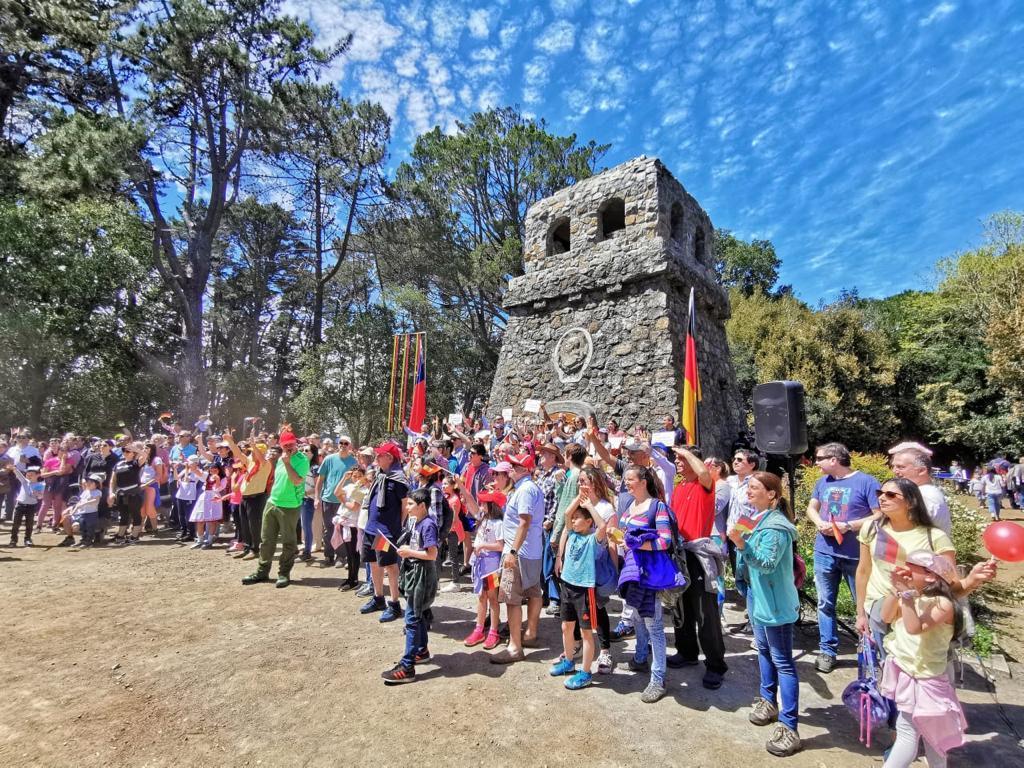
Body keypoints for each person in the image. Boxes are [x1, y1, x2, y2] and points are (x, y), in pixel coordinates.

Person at [729, 471, 802, 757]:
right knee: (763, 651)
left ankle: (789, 725)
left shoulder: (776, 527)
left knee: (783, 661)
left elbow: (768, 563)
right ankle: (768, 701)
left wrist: (741, 545)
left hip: (775, 603)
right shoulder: (753, 517)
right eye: (748, 487)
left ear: (771, 494)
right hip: (758, 600)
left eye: (755, 487)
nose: (748, 491)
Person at [879, 551, 967, 768]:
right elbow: (886, 617)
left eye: (912, 567)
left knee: (911, 733)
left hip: (926, 680)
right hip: (910, 673)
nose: (904, 569)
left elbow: (914, 628)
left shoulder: (943, 604)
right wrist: (895, 590)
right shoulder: (913, 596)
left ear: (931, 576)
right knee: (929, 735)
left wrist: (906, 595)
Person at [804, 442, 881, 673]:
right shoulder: (822, 482)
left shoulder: (866, 482)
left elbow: (879, 514)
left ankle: (868, 653)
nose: (816, 462)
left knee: (864, 606)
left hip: (856, 555)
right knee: (825, 603)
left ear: (834, 459)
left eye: (819, 458)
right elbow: (811, 508)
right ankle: (828, 651)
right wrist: (819, 523)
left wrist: (849, 526)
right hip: (824, 552)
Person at [855, 478, 955, 653]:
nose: (882, 498)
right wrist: (861, 613)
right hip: (879, 609)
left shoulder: (935, 537)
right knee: (887, 665)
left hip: (917, 612)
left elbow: (950, 582)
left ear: (911, 502)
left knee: (914, 666)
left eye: (891, 494)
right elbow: (863, 571)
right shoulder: (871, 528)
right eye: (880, 493)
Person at [615, 464, 677, 703]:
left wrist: (635, 545)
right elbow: (624, 533)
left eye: (630, 479)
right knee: (639, 617)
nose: (626, 483)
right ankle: (641, 657)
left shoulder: (656, 506)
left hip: (649, 574)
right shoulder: (631, 505)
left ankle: (658, 679)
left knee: (654, 625)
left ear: (643, 482)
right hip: (633, 571)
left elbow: (665, 541)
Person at [668, 445, 729, 688]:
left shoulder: (707, 484)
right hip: (680, 554)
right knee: (681, 607)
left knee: (706, 613)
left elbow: (704, 473)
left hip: (698, 555)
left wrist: (688, 452)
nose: (678, 463)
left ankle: (716, 664)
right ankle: (687, 652)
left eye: (682, 459)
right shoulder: (680, 487)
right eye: (677, 459)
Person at [551, 493, 611, 690]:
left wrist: (590, 507)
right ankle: (568, 661)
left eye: (579, 518)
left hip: (585, 590)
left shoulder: (593, 540)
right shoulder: (572, 533)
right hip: (567, 586)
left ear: (588, 522)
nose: (574, 521)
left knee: (586, 633)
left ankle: (585, 673)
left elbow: (603, 527)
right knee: (566, 627)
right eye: (574, 519)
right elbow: (567, 514)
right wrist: (580, 496)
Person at [490, 454, 545, 664]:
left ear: (524, 469)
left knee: (512, 599)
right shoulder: (527, 488)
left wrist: (512, 551)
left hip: (520, 552)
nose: (510, 468)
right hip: (529, 550)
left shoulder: (525, 490)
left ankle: (515, 647)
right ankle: (529, 633)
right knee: (533, 591)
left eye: (514, 465)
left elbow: (524, 522)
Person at [381, 488, 439, 685]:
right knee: (418, 614)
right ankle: (421, 651)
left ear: (422, 506)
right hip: (414, 571)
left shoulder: (428, 524)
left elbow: (432, 555)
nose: (407, 507)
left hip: (422, 574)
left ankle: (407, 667)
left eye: (411, 504)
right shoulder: (416, 521)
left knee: (412, 618)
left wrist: (410, 552)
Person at [242, 428, 309, 589]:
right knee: (266, 540)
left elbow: (296, 481)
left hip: (290, 506)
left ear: (296, 443)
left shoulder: (302, 460)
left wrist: (287, 463)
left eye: (291, 444)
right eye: (285, 445)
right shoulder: (279, 459)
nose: (289, 448)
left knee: (288, 543)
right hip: (272, 502)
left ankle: (284, 573)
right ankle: (262, 571)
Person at [359, 441, 408, 620]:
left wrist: (398, 527)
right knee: (373, 562)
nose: (377, 457)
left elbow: (405, 506)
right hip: (371, 528)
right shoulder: (380, 475)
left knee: (389, 566)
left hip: (385, 532)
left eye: (380, 455)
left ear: (389, 457)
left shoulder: (398, 479)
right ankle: (378, 597)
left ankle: (394, 604)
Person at [463, 489, 505, 650]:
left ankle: (493, 631)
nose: (480, 504)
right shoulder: (482, 518)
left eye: (483, 502)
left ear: (491, 505)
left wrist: (483, 545)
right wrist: (460, 484)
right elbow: (470, 501)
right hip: (480, 563)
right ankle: (479, 629)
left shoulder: (499, 523)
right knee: (481, 596)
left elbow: (500, 546)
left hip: (491, 565)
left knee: (492, 598)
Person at [221, 431, 269, 560]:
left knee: (254, 525)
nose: (251, 453)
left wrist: (254, 445)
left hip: (256, 498)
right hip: (245, 497)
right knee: (245, 525)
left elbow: (261, 458)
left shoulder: (266, 464)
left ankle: (255, 550)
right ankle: (247, 548)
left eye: (254, 451)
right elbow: (238, 454)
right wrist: (230, 442)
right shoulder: (250, 462)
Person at [314, 436, 357, 566]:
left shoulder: (353, 462)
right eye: (341, 443)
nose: (343, 445)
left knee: (342, 528)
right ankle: (328, 555)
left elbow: (356, 482)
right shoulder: (328, 459)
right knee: (328, 529)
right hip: (327, 499)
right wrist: (316, 497)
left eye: (346, 443)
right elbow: (320, 480)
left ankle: (341, 556)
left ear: (350, 445)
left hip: (343, 500)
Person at [891, 446, 951, 534]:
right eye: (894, 466)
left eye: (901, 467)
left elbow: (909, 532)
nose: (894, 471)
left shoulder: (923, 496)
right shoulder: (924, 492)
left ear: (922, 470)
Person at [333, 466, 369, 591]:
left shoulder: (363, 490)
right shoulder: (349, 487)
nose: (357, 478)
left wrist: (342, 500)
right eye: (354, 476)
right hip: (344, 522)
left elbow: (354, 507)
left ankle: (354, 579)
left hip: (354, 524)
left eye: (360, 476)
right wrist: (344, 478)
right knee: (349, 552)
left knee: (354, 553)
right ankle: (350, 577)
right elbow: (336, 492)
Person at [110, 442, 147, 545]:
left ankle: (134, 536)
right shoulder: (118, 464)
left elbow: (144, 455)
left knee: (136, 514)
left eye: (127, 451)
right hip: (121, 494)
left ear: (133, 453)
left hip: (134, 493)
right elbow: (113, 480)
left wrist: (136, 449)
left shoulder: (135, 463)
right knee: (123, 515)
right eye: (124, 451)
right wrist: (111, 492)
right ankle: (120, 535)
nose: (125, 453)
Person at [189, 463, 224, 549]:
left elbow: (218, 489)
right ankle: (200, 540)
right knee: (200, 520)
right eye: (211, 469)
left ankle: (209, 540)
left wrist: (218, 479)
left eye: (215, 469)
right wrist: (192, 464)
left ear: (219, 470)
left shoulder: (223, 479)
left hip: (214, 498)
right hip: (204, 497)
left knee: (212, 521)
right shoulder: (206, 475)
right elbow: (197, 472)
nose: (213, 470)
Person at [8, 463, 44, 546]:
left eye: (32, 474)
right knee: (16, 523)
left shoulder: (41, 485)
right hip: (20, 505)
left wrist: (37, 495)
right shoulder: (24, 481)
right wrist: (14, 468)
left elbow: (40, 497)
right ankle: (13, 540)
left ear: (38, 475)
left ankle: (27, 539)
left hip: (31, 506)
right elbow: (19, 475)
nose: (29, 475)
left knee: (29, 524)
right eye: (28, 474)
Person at [65, 473, 104, 547]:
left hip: (91, 513)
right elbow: (79, 502)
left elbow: (96, 501)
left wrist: (85, 503)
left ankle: (88, 541)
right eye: (87, 482)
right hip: (83, 513)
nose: (88, 484)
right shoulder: (85, 492)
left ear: (96, 484)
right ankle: (83, 540)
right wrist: (73, 511)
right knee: (83, 527)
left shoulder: (97, 492)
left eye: (91, 482)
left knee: (90, 527)